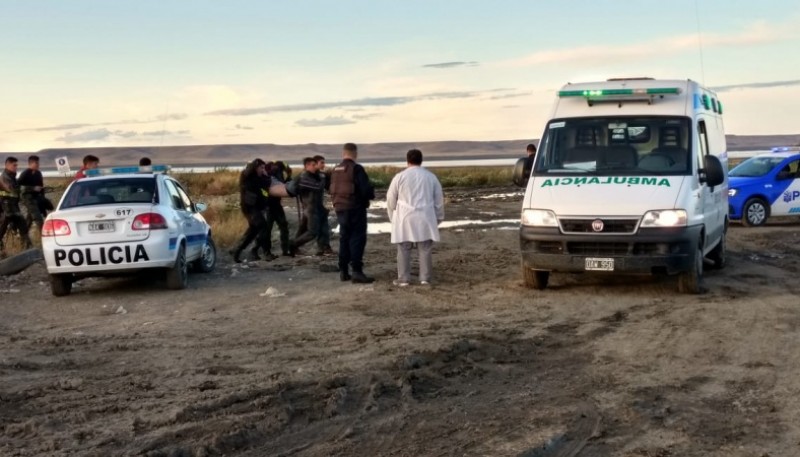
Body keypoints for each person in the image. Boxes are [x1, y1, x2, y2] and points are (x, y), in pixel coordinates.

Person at [386, 149, 444, 286]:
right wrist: (439, 217)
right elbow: (439, 200)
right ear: (421, 160)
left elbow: (390, 198)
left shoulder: (399, 177)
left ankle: (404, 278)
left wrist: (392, 216)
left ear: (407, 161)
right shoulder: (431, 177)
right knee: (425, 248)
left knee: (404, 248)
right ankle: (425, 278)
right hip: (426, 216)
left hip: (404, 217)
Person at [330, 143, 375, 283]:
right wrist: (368, 197)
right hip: (355, 208)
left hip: (340, 208)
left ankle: (343, 271)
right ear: (355, 154)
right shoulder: (357, 169)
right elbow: (366, 190)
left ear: (343, 153)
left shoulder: (335, 169)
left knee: (344, 238)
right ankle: (356, 271)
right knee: (357, 238)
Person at [230, 159, 270, 263]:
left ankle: (237, 251)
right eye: (261, 168)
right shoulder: (248, 176)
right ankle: (258, 251)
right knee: (263, 227)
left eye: (263, 168)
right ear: (255, 167)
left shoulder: (254, 177)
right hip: (249, 207)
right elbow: (265, 183)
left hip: (254, 207)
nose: (263, 170)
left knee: (253, 230)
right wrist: (265, 176)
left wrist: (264, 176)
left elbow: (265, 184)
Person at [290, 157, 326, 254]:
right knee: (312, 232)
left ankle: (294, 248)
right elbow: (317, 187)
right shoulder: (305, 177)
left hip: (312, 207)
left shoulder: (312, 176)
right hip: (310, 208)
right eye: (313, 165)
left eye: (315, 165)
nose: (315, 167)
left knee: (304, 229)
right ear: (307, 166)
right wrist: (323, 178)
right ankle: (292, 245)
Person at [0, 157, 33, 253]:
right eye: (14, 165)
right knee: (4, 227)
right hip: (5, 207)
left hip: (12, 206)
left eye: (16, 165)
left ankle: (27, 248)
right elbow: (12, 190)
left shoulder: (12, 176)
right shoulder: (4, 177)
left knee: (22, 226)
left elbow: (16, 190)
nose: (16, 167)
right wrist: (30, 188)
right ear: (7, 165)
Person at [263, 161, 292, 257]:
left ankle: (267, 251)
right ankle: (284, 250)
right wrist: (289, 175)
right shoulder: (277, 172)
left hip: (270, 204)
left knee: (268, 229)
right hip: (272, 204)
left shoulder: (271, 172)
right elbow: (283, 186)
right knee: (279, 227)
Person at [17, 155, 46, 233]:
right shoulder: (25, 173)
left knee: (30, 216)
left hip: (36, 198)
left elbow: (41, 186)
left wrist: (43, 199)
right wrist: (32, 188)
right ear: (31, 163)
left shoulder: (38, 173)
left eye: (38, 163)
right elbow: (18, 186)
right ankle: (44, 235)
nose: (38, 165)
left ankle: (23, 233)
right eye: (36, 163)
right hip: (26, 198)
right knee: (37, 217)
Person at [313, 154, 334, 256]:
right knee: (317, 227)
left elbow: (328, 188)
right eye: (322, 163)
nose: (323, 165)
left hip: (320, 204)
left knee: (324, 226)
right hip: (312, 205)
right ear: (315, 163)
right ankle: (321, 248)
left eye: (324, 162)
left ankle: (325, 247)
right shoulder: (309, 175)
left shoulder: (323, 175)